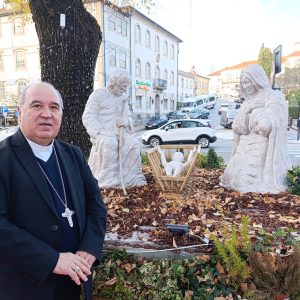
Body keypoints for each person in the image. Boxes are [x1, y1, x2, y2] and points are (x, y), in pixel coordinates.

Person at [0, 82, 107, 300]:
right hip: (23, 286)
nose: (47, 114)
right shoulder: (3, 159)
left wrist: (90, 248)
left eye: (54, 107)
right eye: (37, 106)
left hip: (73, 280)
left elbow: (96, 206)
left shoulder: (74, 156)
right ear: (21, 112)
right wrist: (52, 260)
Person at [220, 64, 290, 193]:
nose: (245, 86)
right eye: (243, 83)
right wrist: (247, 109)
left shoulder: (274, 97)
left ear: (257, 80)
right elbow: (237, 128)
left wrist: (258, 110)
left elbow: (267, 127)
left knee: (245, 180)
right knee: (229, 176)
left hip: (260, 148)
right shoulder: (248, 101)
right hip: (243, 147)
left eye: (248, 82)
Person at [82, 69, 146, 189]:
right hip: (102, 133)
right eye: (122, 88)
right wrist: (100, 131)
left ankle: (133, 178)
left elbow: (128, 117)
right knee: (110, 142)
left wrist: (126, 122)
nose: (124, 91)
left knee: (134, 144)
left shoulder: (122, 99)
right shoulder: (98, 94)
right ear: (114, 83)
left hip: (120, 133)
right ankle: (108, 180)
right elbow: (88, 116)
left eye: (125, 88)